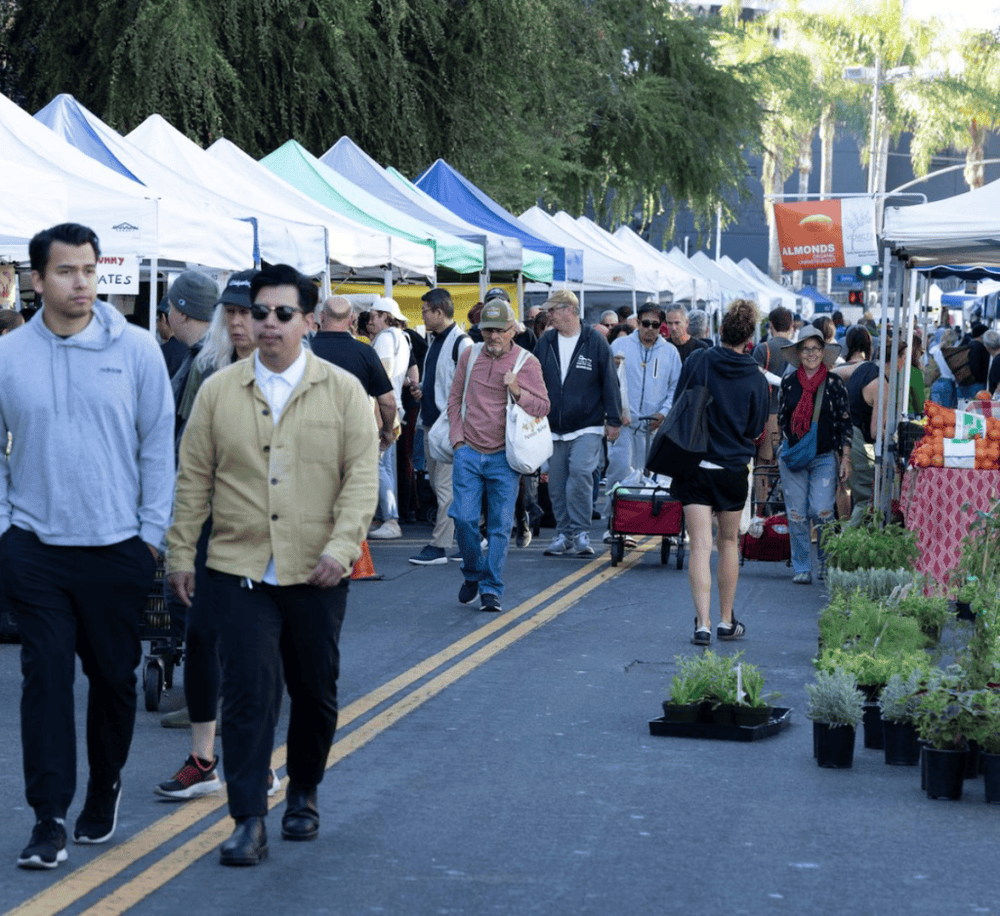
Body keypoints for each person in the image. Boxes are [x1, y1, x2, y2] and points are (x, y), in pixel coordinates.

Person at [167, 263, 377, 867]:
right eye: (259, 312)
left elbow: (361, 480)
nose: (268, 324)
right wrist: (181, 552)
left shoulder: (342, 391)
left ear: (308, 321)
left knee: (314, 692)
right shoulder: (218, 391)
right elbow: (193, 481)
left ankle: (304, 790)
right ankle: (248, 819)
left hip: (317, 569)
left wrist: (341, 548)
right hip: (239, 567)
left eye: (284, 313)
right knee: (247, 694)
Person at [0, 223, 174, 870]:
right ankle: (48, 818)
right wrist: (5, 530)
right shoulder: (9, 356)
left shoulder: (136, 349)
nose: (81, 283)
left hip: (117, 547)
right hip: (35, 549)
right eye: (66, 271)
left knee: (112, 680)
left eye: (89, 270)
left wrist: (149, 536)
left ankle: (105, 784)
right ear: (36, 279)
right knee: (44, 679)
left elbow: (158, 446)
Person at [155, 270, 283, 800]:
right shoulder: (205, 370)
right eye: (229, 311)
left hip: (268, 529)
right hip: (209, 526)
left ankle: (260, 763)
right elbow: (184, 457)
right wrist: (178, 542)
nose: (236, 321)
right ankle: (203, 761)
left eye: (246, 311)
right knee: (201, 640)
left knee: (254, 651)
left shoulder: (292, 377)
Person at [670, 299, 768, 647]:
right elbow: (755, 428)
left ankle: (703, 624)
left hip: (696, 463)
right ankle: (727, 620)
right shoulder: (756, 377)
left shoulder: (698, 360)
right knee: (728, 542)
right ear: (749, 339)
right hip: (733, 468)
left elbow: (680, 402)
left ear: (721, 329)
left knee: (699, 544)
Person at [449, 300, 549, 611]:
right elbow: (455, 399)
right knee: (463, 519)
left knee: (500, 526)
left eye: (500, 331)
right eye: (487, 330)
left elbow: (543, 406)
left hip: (504, 457)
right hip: (468, 452)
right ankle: (472, 572)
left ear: (513, 330)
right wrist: (457, 441)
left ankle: (491, 588)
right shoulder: (470, 355)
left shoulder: (527, 362)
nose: (493, 336)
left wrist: (517, 391)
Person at [534, 289, 622, 557]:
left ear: (569, 310)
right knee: (557, 483)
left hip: (588, 425)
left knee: (581, 473)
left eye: (552, 310)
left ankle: (581, 531)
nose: (549, 316)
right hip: (554, 427)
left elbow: (610, 380)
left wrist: (614, 418)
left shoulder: (594, 340)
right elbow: (534, 379)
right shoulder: (546, 341)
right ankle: (564, 534)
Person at [777, 327, 852, 585]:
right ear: (798, 353)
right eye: (806, 349)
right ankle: (802, 567)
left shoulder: (833, 383)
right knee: (797, 514)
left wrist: (846, 458)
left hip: (824, 456)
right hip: (794, 457)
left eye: (816, 349)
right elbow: (782, 419)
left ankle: (826, 561)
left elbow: (845, 422)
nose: (811, 354)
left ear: (823, 352)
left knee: (822, 511)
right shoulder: (788, 383)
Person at [604, 302, 681, 533]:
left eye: (655, 325)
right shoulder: (620, 345)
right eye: (645, 323)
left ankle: (642, 521)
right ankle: (614, 523)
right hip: (625, 423)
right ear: (637, 322)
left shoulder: (670, 352)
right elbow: (607, 382)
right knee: (619, 471)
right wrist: (613, 415)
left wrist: (663, 413)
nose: (650, 329)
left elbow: (675, 388)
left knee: (651, 478)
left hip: (654, 426)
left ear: (661, 326)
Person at [409, 288, 472, 565]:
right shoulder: (436, 341)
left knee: (445, 488)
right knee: (440, 485)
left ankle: (439, 545)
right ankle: (473, 534)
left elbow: (470, 387)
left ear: (438, 311)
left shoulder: (462, 343)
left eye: (425, 311)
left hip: (449, 426)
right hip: (432, 424)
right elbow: (443, 381)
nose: (422, 315)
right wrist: (423, 389)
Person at [311, 295, 397, 450]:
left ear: (321, 317)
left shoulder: (302, 351)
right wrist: (388, 431)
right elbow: (388, 401)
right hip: (355, 439)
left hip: (312, 437)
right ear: (351, 319)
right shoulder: (366, 353)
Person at [845, 330, 909, 524]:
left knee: (863, 498)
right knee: (867, 499)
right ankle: (845, 541)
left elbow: (836, 372)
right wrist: (893, 436)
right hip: (859, 442)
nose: (905, 365)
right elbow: (875, 432)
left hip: (847, 436)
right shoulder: (882, 385)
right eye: (904, 360)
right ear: (897, 360)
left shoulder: (865, 368)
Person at [367, 297, 415, 540]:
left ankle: (390, 518)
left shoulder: (386, 338)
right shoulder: (401, 337)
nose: (370, 321)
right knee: (384, 465)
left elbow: (382, 375)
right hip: (393, 406)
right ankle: (385, 516)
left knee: (378, 464)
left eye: (374, 316)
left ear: (385, 316)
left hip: (382, 406)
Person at [752, 306, 795, 464]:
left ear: (771, 325)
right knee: (786, 464)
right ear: (791, 326)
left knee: (763, 464)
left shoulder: (762, 349)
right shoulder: (798, 350)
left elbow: (754, 381)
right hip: (793, 415)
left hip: (767, 414)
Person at [927, 327, 958, 408]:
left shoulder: (934, 350)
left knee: (934, 410)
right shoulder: (955, 352)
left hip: (935, 381)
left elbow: (929, 365)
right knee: (945, 411)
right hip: (948, 384)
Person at [156, 296, 188, 376]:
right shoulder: (192, 350)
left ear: (163, 318)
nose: (157, 325)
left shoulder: (161, 353)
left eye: (158, 319)